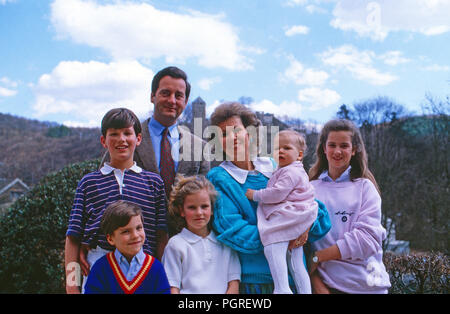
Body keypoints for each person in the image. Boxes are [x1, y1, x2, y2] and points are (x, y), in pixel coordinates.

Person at [206, 102, 331, 294]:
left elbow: (316, 211)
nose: (231, 137)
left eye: (236, 130)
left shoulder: (276, 166)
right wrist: (284, 234)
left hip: (296, 280)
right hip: (255, 283)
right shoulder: (219, 178)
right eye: (222, 134)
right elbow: (232, 230)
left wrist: (303, 227)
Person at [65, 108, 167, 294]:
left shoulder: (154, 183)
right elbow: (73, 237)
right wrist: (72, 285)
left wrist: (162, 273)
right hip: (99, 266)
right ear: (104, 141)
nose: (121, 139)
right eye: (114, 134)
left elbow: (161, 236)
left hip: (144, 268)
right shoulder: (89, 183)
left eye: (127, 133)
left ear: (138, 139)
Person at [308, 119, 391, 294]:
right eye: (332, 145)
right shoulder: (309, 188)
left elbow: (367, 240)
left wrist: (319, 257)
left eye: (344, 146)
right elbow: (301, 243)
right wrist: (316, 283)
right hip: (327, 286)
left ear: (354, 150)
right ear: (324, 148)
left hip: (368, 288)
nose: (337, 151)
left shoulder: (365, 187)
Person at [245, 130, 318, 294]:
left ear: (299, 155)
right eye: (277, 148)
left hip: (290, 218)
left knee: (273, 247)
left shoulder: (290, 172)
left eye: (286, 148)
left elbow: (277, 193)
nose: (281, 151)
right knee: (296, 263)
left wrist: (255, 195)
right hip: (298, 220)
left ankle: (282, 289)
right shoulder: (291, 169)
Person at [162, 175, 241, 294]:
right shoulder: (175, 245)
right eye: (192, 208)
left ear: (212, 208)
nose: (199, 213)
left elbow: (234, 284)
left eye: (204, 206)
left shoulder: (226, 242)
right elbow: (173, 287)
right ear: (181, 211)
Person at [84, 200, 170, 294]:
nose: (135, 235)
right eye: (126, 231)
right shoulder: (100, 268)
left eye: (139, 228)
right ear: (110, 239)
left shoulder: (156, 268)